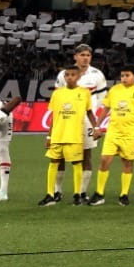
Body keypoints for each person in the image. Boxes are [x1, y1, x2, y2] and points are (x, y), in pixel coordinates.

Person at [53, 43, 107, 202]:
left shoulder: (97, 75)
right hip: (66, 118)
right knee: (60, 155)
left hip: (87, 119)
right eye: (82, 55)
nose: (85, 58)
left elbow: (102, 100)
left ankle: (82, 192)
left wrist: (96, 123)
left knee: (86, 155)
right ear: (75, 56)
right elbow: (57, 97)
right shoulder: (64, 74)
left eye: (88, 55)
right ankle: (57, 191)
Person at [93, 67, 134, 206]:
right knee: (104, 160)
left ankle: (124, 194)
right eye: (122, 75)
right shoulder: (114, 90)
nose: (124, 78)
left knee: (127, 163)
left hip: (131, 133)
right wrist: (97, 126)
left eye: (127, 75)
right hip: (113, 132)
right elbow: (106, 108)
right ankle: (99, 193)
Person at [40, 63, 96, 206]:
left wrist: (96, 128)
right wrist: (49, 136)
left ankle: (77, 194)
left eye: (72, 75)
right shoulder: (57, 93)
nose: (69, 77)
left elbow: (89, 112)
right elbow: (54, 116)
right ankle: (50, 194)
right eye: (67, 75)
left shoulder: (84, 93)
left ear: (79, 76)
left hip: (75, 136)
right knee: (53, 163)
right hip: (58, 135)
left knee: (77, 164)